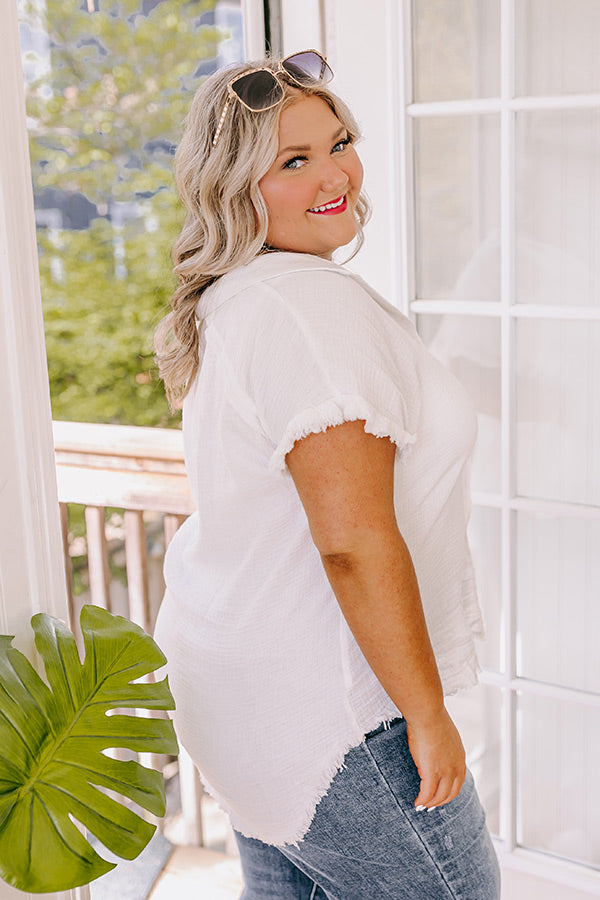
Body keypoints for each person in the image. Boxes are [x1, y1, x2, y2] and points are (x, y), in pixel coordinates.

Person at [154, 50, 500, 900]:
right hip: (338, 720)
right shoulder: (308, 309)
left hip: (244, 700)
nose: (335, 174)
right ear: (235, 186)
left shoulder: (238, 296)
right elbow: (351, 541)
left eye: (338, 143)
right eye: (293, 162)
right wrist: (425, 713)